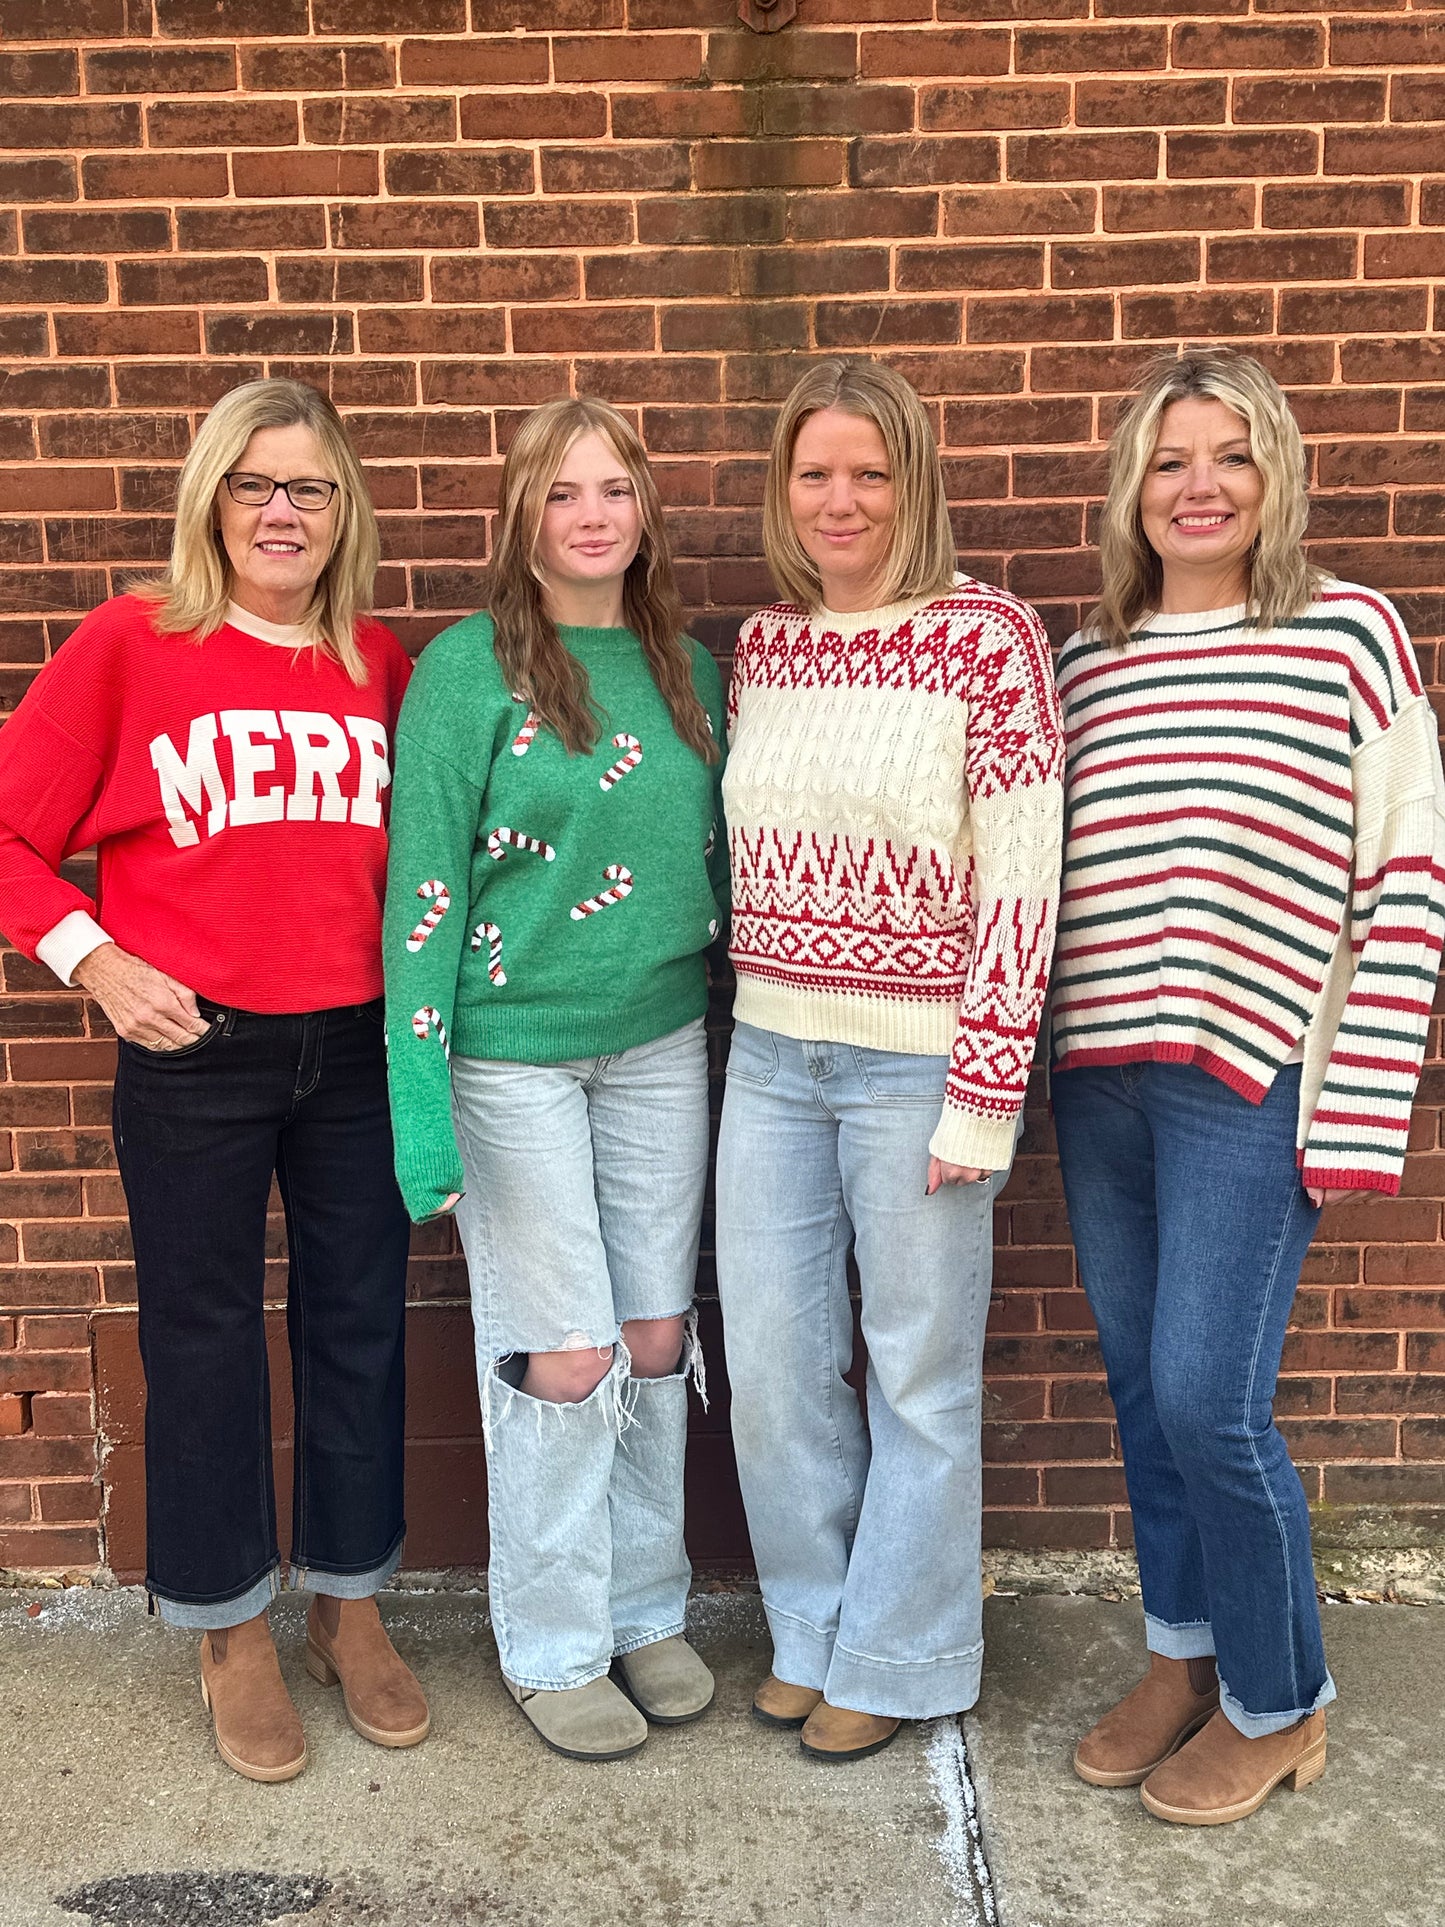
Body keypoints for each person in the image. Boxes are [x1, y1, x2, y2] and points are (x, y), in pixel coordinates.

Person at [0, 379, 428, 1781]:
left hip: (357, 1048)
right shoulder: (136, 642)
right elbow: (11, 829)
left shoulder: (378, 663)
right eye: (254, 485)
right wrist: (94, 960)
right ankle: (226, 1624)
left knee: (360, 1325)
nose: (283, 512)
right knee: (201, 1338)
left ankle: (348, 1605)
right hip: (196, 1052)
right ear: (211, 502)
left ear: (342, 507)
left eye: (308, 486)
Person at [1051, 348, 1445, 1824]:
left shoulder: (1344, 636)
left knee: (1211, 1402)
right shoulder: (1088, 659)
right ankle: (1182, 1653)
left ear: (1272, 476)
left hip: (1253, 1077)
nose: (1196, 486)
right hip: (1098, 1080)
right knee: (1144, 1402)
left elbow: (1407, 879)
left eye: (1227, 456)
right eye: (1167, 460)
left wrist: (1354, 1107)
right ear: (1132, 491)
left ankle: (1280, 1703)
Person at [715, 359, 1065, 1761]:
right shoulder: (765, 645)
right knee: (777, 1366)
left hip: (914, 1069)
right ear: (784, 494)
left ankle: (906, 1655)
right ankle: (812, 1632)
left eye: (869, 472)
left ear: (912, 481)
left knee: (916, 1373)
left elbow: (1023, 877)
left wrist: (983, 1092)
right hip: (768, 1054)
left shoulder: (987, 637)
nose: (842, 499)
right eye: (816, 474)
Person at [384, 396, 727, 1763]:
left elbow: (716, 867)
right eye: (561, 493)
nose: (591, 516)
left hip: (661, 1045)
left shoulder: (687, 668)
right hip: (509, 1055)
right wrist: (421, 1115)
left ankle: (647, 1610)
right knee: (568, 1358)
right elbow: (419, 890)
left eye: (614, 490)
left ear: (643, 512)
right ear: (521, 518)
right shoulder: (466, 672)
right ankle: (553, 1641)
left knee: (652, 1339)